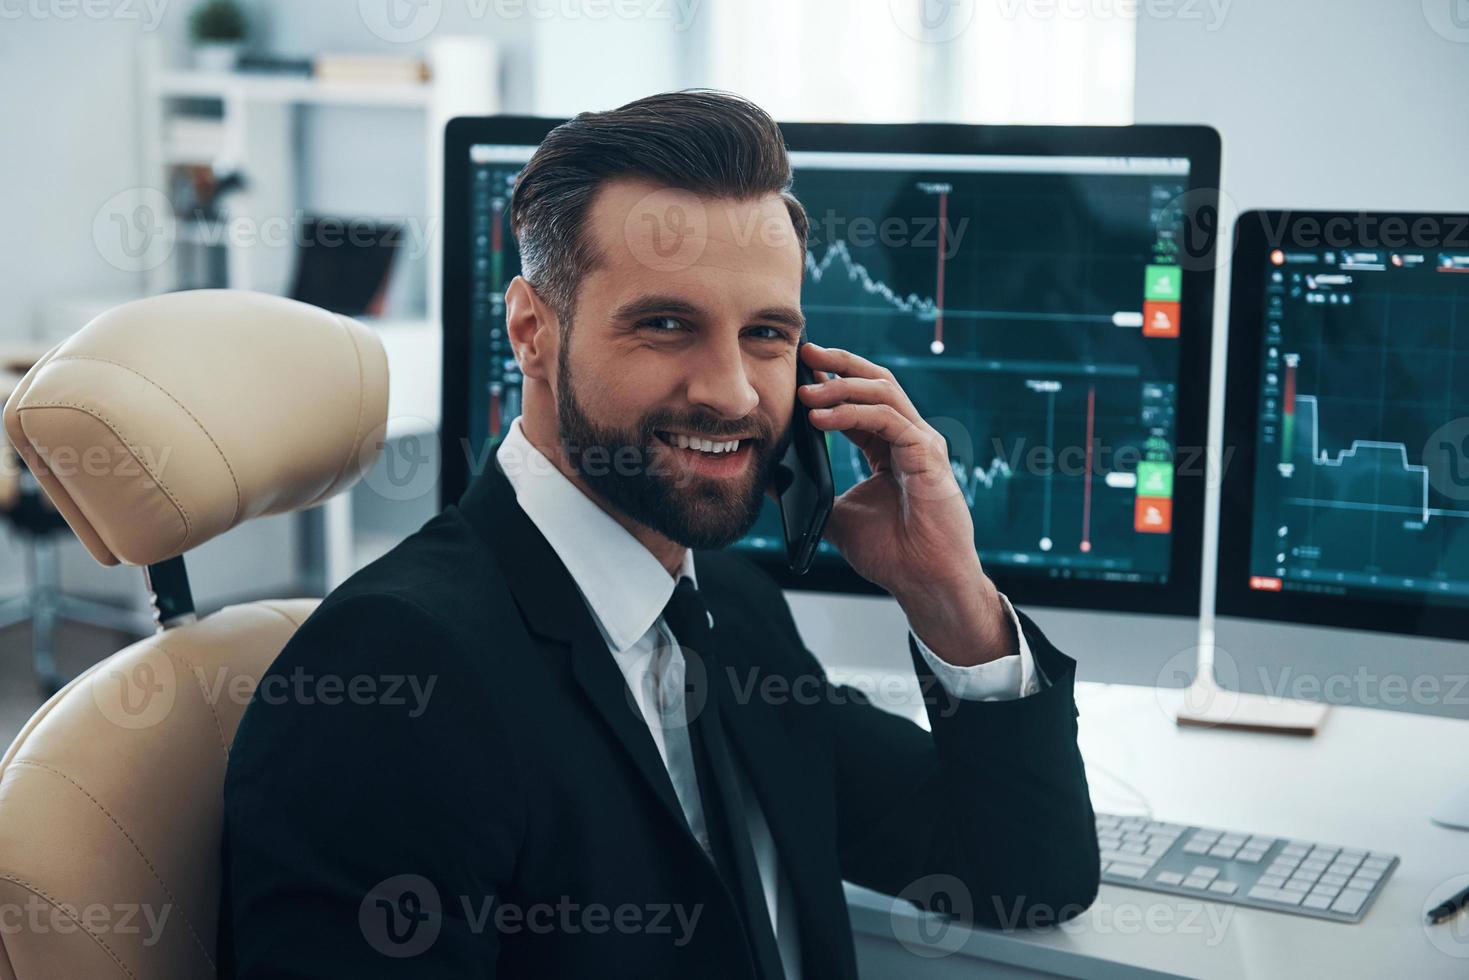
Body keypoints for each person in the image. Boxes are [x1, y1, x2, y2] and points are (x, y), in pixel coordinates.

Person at [221, 89, 1099, 980]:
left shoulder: (729, 606)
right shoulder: (393, 673)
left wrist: (947, 592)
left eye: (766, 335)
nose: (732, 392)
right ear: (531, 331)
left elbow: (1022, 874)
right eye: (666, 325)